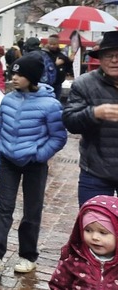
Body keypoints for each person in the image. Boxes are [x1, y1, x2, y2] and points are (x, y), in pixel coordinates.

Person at [0, 54, 67, 274]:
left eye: (20, 74)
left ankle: (27, 255)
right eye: (13, 73)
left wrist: (38, 155)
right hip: (9, 162)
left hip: (34, 164)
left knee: (32, 209)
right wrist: (0, 155)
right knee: (2, 206)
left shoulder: (50, 105)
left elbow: (58, 137)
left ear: (32, 77)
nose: (15, 78)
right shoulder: (8, 100)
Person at [62, 31, 118, 207]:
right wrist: (94, 113)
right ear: (100, 58)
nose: (114, 60)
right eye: (109, 55)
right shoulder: (85, 83)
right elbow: (70, 121)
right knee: (93, 224)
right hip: (95, 171)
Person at [49, 195, 118, 289]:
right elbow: (58, 285)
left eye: (103, 232)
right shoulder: (74, 259)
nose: (94, 237)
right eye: (88, 230)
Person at [44, 34, 73, 100]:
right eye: (50, 44)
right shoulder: (45, 53)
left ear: (57, 44)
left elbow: (67, 64)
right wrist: (55, 64)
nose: (52, 46)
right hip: (48, 83)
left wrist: (70, 60)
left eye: (54, 44)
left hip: (58, 82)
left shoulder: (60, 54)